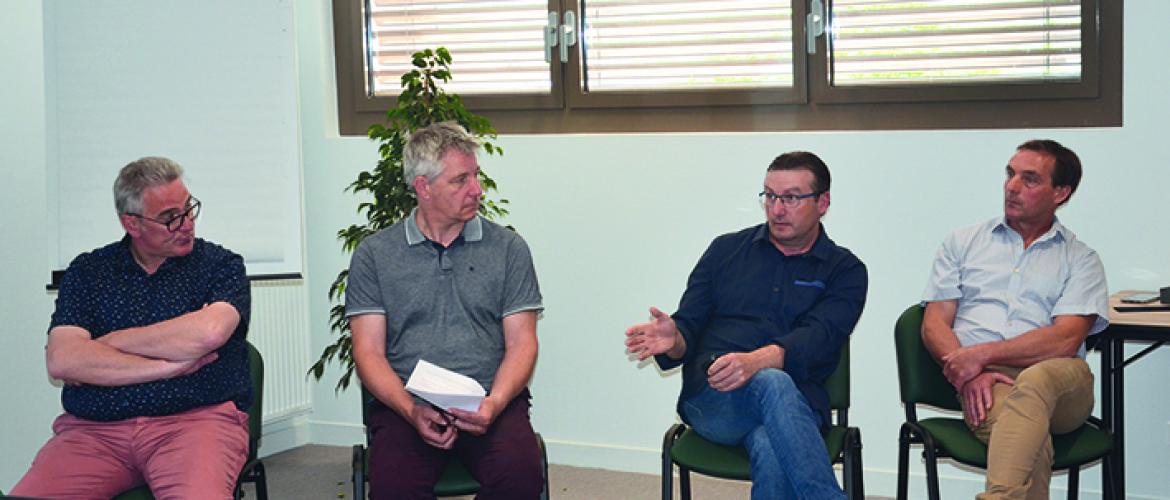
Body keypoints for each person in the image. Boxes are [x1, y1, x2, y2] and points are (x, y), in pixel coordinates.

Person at [625, 151, 867, 499]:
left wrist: (756, 361)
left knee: (770, 439)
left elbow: (820, 337)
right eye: (770, 196)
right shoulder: (725, 251)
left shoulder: (845, 270)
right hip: (714, 399)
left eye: (791, 198)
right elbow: (689, 326)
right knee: (772, 383)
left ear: (823, 202)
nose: (777, 209)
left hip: (797, 403)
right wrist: (675, 337)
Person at [12, 157, 252, 499]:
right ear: (132, 224)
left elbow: (209, 334)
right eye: (170, 218)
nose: (186, 224)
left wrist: (110, 343)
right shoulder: (89, 272)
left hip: (195, 422)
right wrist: (168, 367)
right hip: (94, 432)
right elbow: (63, 360)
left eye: (189, 209)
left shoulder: (219, 265)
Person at [347, 121, 544, 499]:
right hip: (408, 404)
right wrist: (409, 410)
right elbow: (367, 352)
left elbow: (523, 344)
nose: (477, 189)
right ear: (423, 188)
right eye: (460, 180)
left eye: (476, 176)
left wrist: (494, 403)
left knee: (520, 477)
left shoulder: (508, 249)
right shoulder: (374, 255)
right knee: (393, 489)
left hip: (491, 401)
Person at [920, 139, 1109, 500]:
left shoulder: (1081, 259)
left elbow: (1065, 340)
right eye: (1010, 174)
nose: (1012, 186)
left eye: (1030, 179)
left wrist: (980, 355)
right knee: (1030, 445)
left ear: (1061, 193)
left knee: (1037, 379)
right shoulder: (962, 243)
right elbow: (934, 324)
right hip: (988, 385)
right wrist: (969, 373)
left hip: (1061, 382)